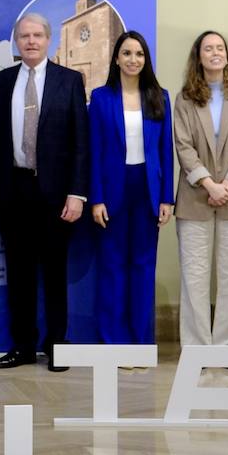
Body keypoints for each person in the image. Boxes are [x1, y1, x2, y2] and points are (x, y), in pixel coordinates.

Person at [0, 12, 89, 372]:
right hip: (14, 190)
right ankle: (23, 345)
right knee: (20, 275)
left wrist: (77, 193)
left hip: (57, 194)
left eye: (37, 35)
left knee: (55, 274)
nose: (30, 41)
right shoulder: (0, 83)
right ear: (16, 41)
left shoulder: (70, 81)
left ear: (49, 40)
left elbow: (80, 143)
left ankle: (58, 345)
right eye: (24, 36)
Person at [88, 31, 174, 349]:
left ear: (145, 59)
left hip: (147, 192)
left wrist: (167, 197)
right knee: (111, 268)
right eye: (126, 53)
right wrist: (95, 198)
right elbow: (94, 151)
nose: (133, 60)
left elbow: (166, 150)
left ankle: (140, 343)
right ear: (116, 59)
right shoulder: (100, 97)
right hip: (112, 192)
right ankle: (114, 344)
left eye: (139, 54)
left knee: (142, 267)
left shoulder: (159, 96)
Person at [173, 30, 228, 347]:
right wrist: (210, 183)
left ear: (226, 55)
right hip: (195, 198)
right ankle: (196, 348)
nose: (215, 52)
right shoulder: (184, 98)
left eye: (220, 47)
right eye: (208, 48)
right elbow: (183, 146)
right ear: (199, 56)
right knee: (194, 278)